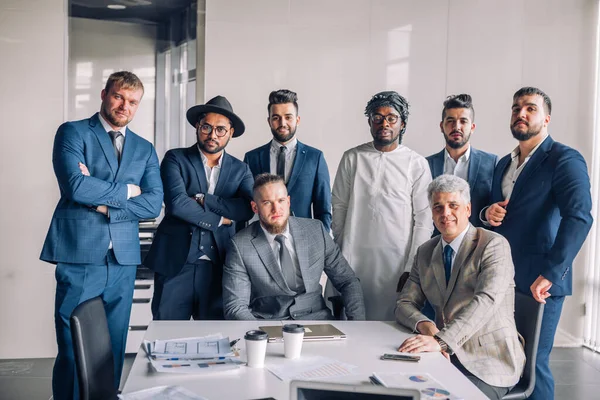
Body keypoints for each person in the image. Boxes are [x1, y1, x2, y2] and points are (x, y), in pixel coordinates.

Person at [40, 71, 163, 400]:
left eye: (132, 102)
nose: (125, 106)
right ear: (104, 94)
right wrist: (129, 190)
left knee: (112, 348)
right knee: (72, 346)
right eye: (119, 97)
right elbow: (75, 186)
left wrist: (106, 206)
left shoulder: (144, 148)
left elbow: (153, 203)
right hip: (79, 254)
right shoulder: (73, 132)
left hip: (122, 259)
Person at [483, 87, 593, 400]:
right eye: (516, 107)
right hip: (503, 279)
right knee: (506, 361)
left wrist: (552, 272)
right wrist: (486, 212)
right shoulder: (504, 162)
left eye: (530, 108)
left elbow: (580, 217)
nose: (521, 113)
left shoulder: (564, 159)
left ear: (546, 118)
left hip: (540, 283)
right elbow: (498, 211)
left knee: (532, 366)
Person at [396, 175, 525, 400]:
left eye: (453, 205)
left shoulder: (494, 245)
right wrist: (428, 328)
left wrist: (441, 341)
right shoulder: (425, 251)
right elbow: (405, 303)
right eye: (438, 207)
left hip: (489, 359)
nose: (445, 213)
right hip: (443, 355)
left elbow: (486, 301)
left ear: (467, 209)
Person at [144, 95, 254, 320]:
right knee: (167, 338)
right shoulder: (175, 159)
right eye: (207, 127)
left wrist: (205, 200)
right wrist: (219, 220)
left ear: (231, 132)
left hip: (219, 268)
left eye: (221, 129)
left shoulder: (241, 169)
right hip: (176, 264)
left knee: (216, 342)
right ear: (197, 126)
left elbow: (246, 208)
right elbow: (178, 204)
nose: (213, 135)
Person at [331, 90, 432, 320]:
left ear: (402, 123)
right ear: (369, 121)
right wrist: (341, 251)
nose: (384, 123)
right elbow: (338, 208)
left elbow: (424, 220)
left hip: (396, 264)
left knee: (390, 326)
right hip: (353, 258)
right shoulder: (352, 158)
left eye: (391, 118)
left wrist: (411, 267)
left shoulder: (417, 164)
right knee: (351, 322)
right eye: (377, 117)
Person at [222, 173, 365, 321]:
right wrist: (260, 336)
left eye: (281, 201)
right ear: (255, 207)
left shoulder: (316, 231)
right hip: (268, 324)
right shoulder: (240, 245)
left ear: (288, 202)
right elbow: (235, 305)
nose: (276, 209)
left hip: (317, 320)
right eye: (267, 202)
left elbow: (347, 281)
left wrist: (357, 325)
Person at [243, 89, 331, 230]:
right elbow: (245, 205)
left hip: (304, 237)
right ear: (269, 121)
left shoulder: (315, 158)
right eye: (276, 117)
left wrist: (323, 241)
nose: (282, 123)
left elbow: (324, 208)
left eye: (288, 117)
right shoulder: (252, 158)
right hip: (262, 237)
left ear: (297, 120)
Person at [426, 94, 497, 229]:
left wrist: (486, 214)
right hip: (436, 243)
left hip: (477, 243)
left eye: (463, 121)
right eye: (450, 121)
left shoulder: (491, 163)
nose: (457, 127)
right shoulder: (426, 164)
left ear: (472, 127)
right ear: (442, 126)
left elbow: (493, 204)